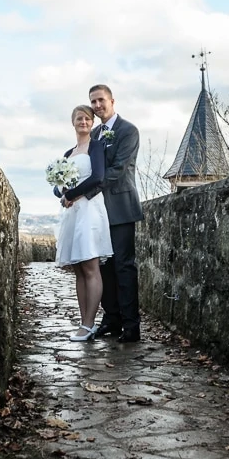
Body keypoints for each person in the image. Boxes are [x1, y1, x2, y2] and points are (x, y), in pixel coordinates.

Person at [87, 84, 143, 343]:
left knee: (123, 266)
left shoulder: (128, 130)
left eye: (101, 100)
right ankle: (112, 319)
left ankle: (132, 326)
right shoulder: (95, 132)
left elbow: (119, 169)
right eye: (93, 102)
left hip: (120, 208)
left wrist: (86, 190)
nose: (97, 106)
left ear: (112, 100)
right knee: (104, 267)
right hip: (98, 211)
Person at [53, 105, 113, 342]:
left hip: (89, 211)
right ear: (73, 122)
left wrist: (73, 194)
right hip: (72, 214)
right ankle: (83, 322)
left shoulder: (96, 147)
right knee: (78, 269)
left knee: (90, 267)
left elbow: (98, 177)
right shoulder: (68, 154)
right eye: (79, 118)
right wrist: (62, 192)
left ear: (92, 122)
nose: (84, 122)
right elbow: (58, 186)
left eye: (88, 119)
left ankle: (90, 324)